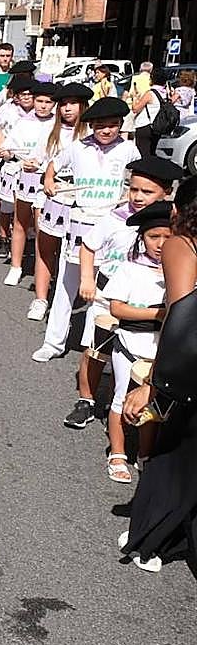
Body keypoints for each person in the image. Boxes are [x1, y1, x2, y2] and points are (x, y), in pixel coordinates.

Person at [51, 157, 180, 422]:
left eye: (147, 191)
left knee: (140, 353)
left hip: (149, 297)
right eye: (133, 189)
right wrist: (87, 278)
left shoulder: (171, 225)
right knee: (97, 350)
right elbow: (88, 246)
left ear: (166, 193)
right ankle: (85, 400)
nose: (138, 197)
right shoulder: (115, 217)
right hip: (108, 292)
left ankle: (122, 405)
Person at [120, 176, 197, 573]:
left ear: (177, 211)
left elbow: (182, 315)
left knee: (173, 453)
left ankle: (152, 540)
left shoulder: (181, 244)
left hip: (189, 369)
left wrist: (152, 383)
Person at [33, 97, 141, 362]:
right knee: (66, 284)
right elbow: (53, 166)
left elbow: (137, 179)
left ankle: (96, 347)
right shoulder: (78, 148)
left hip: (112, 225)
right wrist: (49, 179)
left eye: (113, 125)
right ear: (91, 125)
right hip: (80, 224)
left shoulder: (128, 149)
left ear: (120, 125)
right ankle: (53, 342)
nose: (106, 131)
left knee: (105, 288)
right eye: (100, 125)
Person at [101, 201, 172, 484]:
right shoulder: (131, 270)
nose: (160, 244)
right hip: (130, 346)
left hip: (159, 355)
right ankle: (117, 452)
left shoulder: (179, 274)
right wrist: (159, 313)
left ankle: (144, 453)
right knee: (121, 397)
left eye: (168, 237)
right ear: (142, 238)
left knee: (150, 408)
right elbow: (116, 308)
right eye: (154, 237)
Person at [23, 83, 91, 320]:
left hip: (81, 198)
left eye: (72, 103)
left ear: (83, 106)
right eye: (63, 104)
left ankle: (69, 295)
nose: (67, 108)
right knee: (46, 248)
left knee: (76, 251)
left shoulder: (91, 133)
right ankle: (40, 298)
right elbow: (39, 157)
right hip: (51, 194)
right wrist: (31, 163)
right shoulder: (51, 132)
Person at [0, 81, 57, 290]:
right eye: (39, 101)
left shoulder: (56, 125)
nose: (43, 105)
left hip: (46, 180)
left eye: (48, 102)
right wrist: (8, 153)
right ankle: (16, 266)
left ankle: (43, 270)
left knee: (42, 228)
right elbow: (9, 147)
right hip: (24, 176)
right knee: (20, 222)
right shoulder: (24, 122)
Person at [0, 76, 36, 256]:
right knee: (6, 205)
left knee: (29, 205)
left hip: (32, 165)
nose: (26, 98)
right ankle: (3, 238)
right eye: (22, 94)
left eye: (30, 94)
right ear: (16, 96)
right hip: (11, 160)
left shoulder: (40, 113)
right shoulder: (7, 109)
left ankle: (25, 234)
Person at [131, 68, 170, 158]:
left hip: (145, 125)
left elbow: (135, 109)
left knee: (143, 154)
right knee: (152, 153)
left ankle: (143, 171)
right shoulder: (166, 93)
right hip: (158, 126)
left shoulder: (150, 94)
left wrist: (134, 98)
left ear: (152, 79)